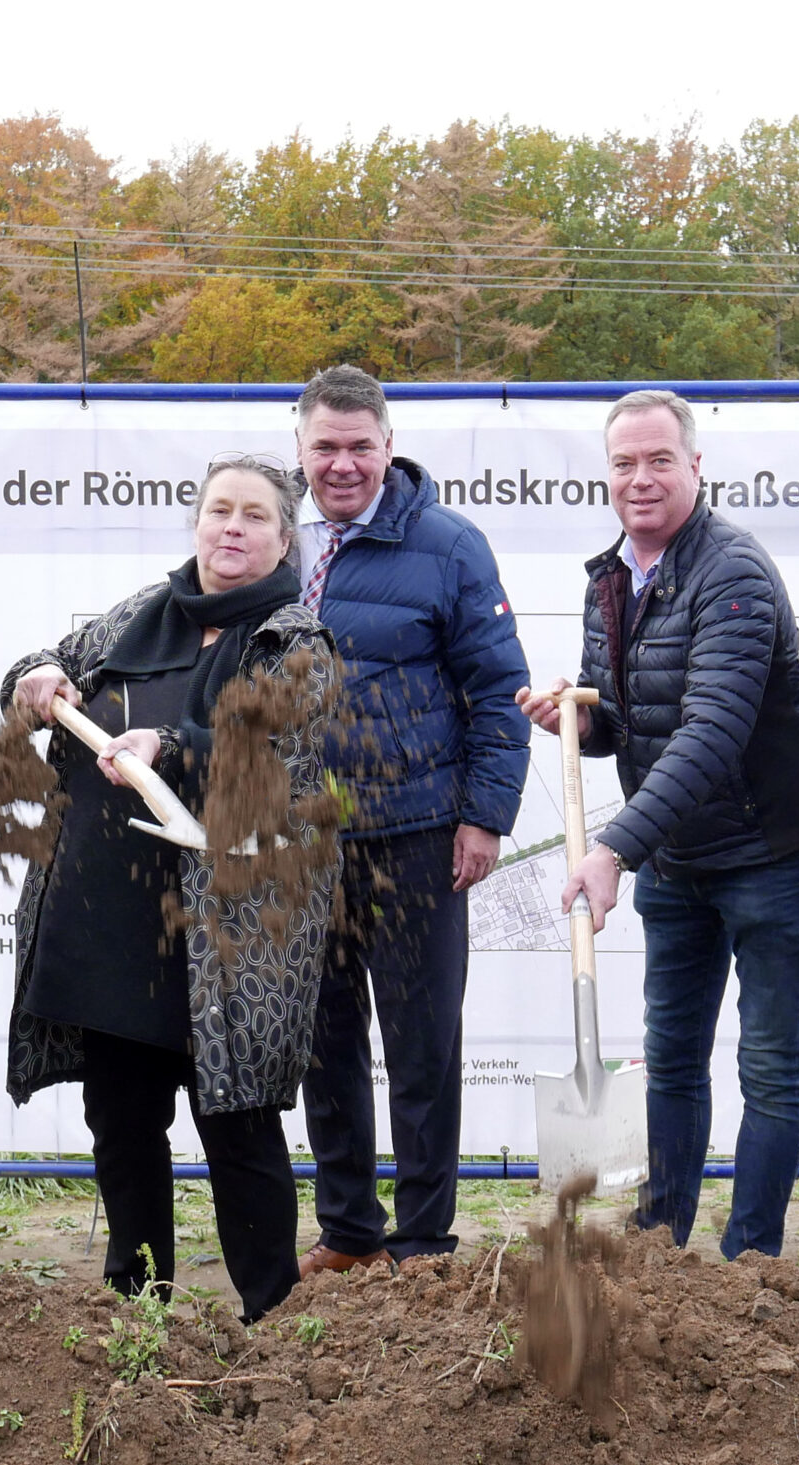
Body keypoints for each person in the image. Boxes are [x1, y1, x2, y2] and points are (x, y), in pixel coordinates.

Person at [1, 455, 339, 1323]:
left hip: (227, 937)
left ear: (284, 537)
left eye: (254, 516)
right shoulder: (132, 619)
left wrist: (169, 745)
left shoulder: (295, 639)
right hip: (111, 921)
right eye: (218, 510)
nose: (232, 527)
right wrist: (32, 679)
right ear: (196, 523)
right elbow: (43, 664)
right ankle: (138, 1306)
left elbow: (271, 750)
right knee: (122, 1124)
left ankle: (270, 1313)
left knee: (240, 1132)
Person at [517, 389, 799, 1259]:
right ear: (607, 475)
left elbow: (713, 730)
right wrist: (574, 723)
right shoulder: (609, 579)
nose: (641, 478)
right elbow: (630, 726)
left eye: (660, 460)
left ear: (698, 467)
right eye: (624, 463)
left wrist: (618, 847)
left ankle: (753, 1262)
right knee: (673, 1055)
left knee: (766, 1062)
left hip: (769, 853)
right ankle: (662, 1244)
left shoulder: (732, 571)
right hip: (678, 856)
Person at [289, 365, 530, 1275]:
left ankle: (424, 1239)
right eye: (326, 447)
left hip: (419, 834)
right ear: (302, 450)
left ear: (389, 446)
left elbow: (499, 697)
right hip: (302, 843)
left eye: (360, 446)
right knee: (324, 1042)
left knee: (423, 1043)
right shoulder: (279, 542)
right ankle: (349, 1232)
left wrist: (484, 816)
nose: (343, 464)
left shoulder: (450, 545)